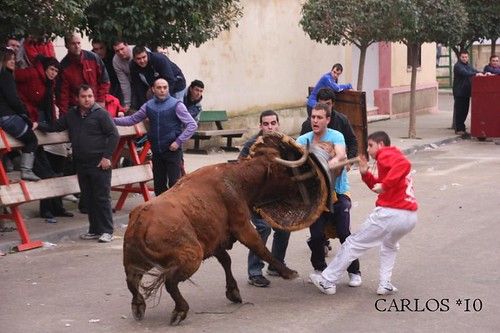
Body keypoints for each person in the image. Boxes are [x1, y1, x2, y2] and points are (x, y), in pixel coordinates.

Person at [309, 131, 418, 296]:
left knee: (353, 243)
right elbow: (377, 187)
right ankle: (385, 283)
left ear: (380, 145)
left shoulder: (386, 153)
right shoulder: (388, 160)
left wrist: (386, 185)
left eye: (370, 145)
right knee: (389, 245)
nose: (368, 150)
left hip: (391, 213)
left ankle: (327, 280)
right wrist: (365, 173)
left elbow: (404, 165)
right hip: (409, 217)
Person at [35, 85, 120, 243]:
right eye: (83, 96)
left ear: (93, 97)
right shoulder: (72, 115)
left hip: (99, 163)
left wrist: (107, 157)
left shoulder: (102, 114)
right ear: (77, 98)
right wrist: (38, 125)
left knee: (101, 198)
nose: (87, 99)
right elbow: (56, 126)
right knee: (88, 198)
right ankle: (94, 230)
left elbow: (114, 135)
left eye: (89, 96)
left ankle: (107, 230)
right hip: (81, 163)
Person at [296, 103, 362, 288]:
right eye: (313, 117)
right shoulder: (303, 140)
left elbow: (341, 155)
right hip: (316, 197)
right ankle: (319, 269)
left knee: (344, 234)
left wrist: (328, 163)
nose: (315, 120)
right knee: (316, 235)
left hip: (338, 192)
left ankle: (354, 271)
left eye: (319, 117)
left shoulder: (336, 136)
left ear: (327, 119)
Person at [113, 78, 197, 196]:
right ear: (153, 89)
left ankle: (177, 213)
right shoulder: (149, 106)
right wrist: (111, 120)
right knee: (159, 185)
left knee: (175, 184)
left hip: (172, 150)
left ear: (168, 89)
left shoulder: (176, 105)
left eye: (165, 87)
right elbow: (132, 119)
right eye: (159, 88)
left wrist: (178, 142)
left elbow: (192, 125)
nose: (162, 90)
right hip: (157, 151)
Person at [15, 55, 74, 219]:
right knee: (46, 171)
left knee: (56, 170)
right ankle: (47, 210)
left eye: (56, 70)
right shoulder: (33, 74)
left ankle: (56, 207)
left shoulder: (50, 84)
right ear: (45, 68)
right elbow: (13, 77)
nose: (54, 73)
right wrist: (26, 113)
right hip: (32, 125)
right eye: (52, 69)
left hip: (45, 128)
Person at [238, 110, 291, 287]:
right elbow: (239, 170)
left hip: (275, 197)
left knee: (284, 228)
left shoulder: (286, 143)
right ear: (261, 126)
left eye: (273, 123)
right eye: (266, 124)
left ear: (278, 124)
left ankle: (275, 265)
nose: (270, 127)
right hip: (255, 199)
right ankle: (254, 272)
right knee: (262, 228)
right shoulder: (252, 145)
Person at [0, 47, 40, 181]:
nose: (13, 62)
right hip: (7, 116)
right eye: (9, 59)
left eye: (14, 59)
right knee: (32, 139)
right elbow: (13, 99)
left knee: (11, 145)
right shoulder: (5, 75)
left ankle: (17, 165)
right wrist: (24, 113)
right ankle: (26, 170)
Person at [57, 33, 110, 116]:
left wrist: (101, 100)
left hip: (96, 104)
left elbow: (104, 81)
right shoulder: (63, 66)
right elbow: (63, 95)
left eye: (78, 43)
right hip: (76, 108)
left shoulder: (93, 58)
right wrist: (64, 115)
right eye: (73, 43)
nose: (77, 46)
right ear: (66, 46)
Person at [300, 87, 358, 162]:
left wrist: (349, 161)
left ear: (333, 104)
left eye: (327, 104)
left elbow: (352, 141)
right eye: (321, 104)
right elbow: (301, 149)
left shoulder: (342, 121)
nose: (315, 121)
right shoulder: (307, 125)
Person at [452, 51, 484, 135]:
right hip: (459, 92)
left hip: (466, 92)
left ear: (468, 57)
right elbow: (465, 73)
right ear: (460, 57)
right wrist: (476, 74)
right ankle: (459, 129)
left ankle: (462, 128)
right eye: (463, 57)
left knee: (465, 111)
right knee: (460, 111)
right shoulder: (458, 66)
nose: (464, 58)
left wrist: (483, 73)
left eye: (466, 57)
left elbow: (475, 71)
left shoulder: (468, 65)